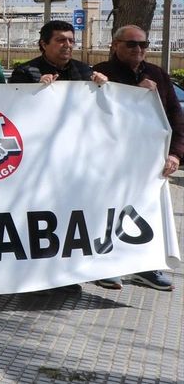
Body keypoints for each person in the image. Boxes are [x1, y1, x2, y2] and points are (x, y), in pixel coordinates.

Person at [92, 25, 180, 292]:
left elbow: (176, 118)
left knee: (148, 214)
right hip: (108, 164)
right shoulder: (98, 74)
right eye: (132, 44)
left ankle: (146, 266)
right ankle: (106, 267)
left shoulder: (158, 75)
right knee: (107, 215)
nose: (139, 50)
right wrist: (133, 91)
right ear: (115, 44)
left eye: (144, 44)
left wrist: (175, 154)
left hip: (149, 165)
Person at [9, 20, 107, 85]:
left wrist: (101, 83)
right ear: (44, 44)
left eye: (71, 41)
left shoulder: (84, 70)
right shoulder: (25, 72)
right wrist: (35, 88)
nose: (67, 45)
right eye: (61, 40)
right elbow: (15, 102)